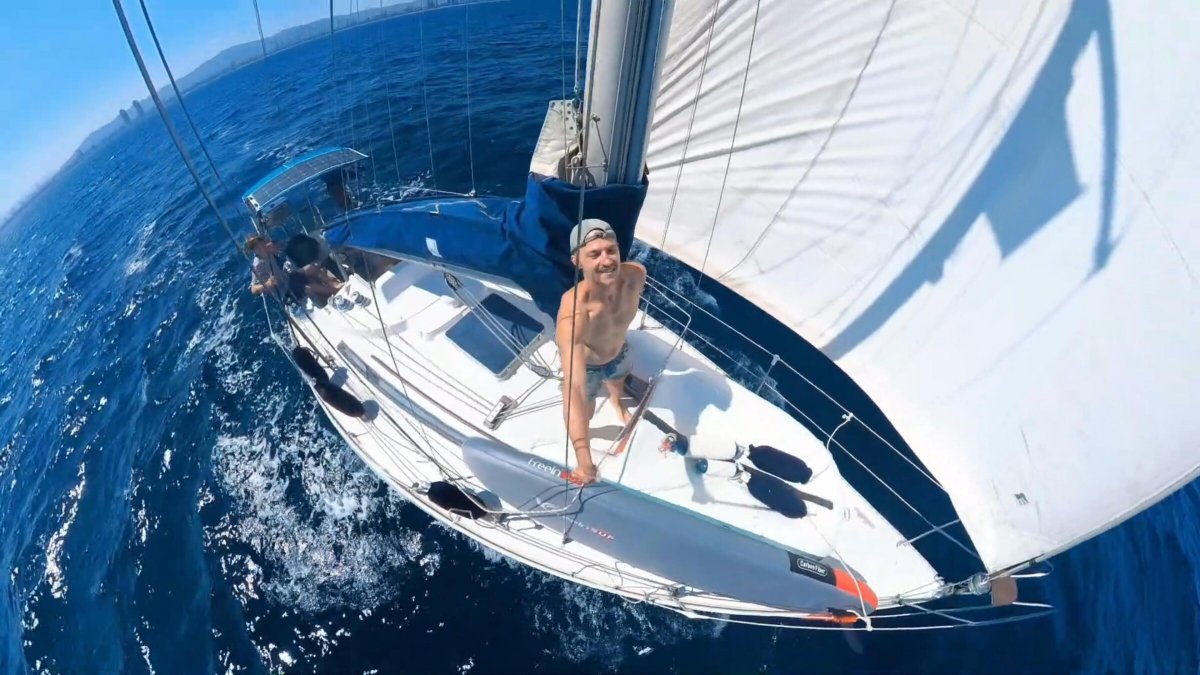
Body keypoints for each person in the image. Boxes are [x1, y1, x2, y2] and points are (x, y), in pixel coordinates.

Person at [556, 218, 647, 484]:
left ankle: (616, 402)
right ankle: (588, 430)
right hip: (589, 367)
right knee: (586, 409)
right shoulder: (574, 312)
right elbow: (574, 388)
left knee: (618, 382)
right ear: (577, 261)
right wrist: (584, 460)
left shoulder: (636, 275)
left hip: (619, 351)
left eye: (611, 250)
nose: (607, 260)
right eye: (594, 254)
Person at [245, 234, 289, 299]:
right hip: (284, 294)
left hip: (288, 280)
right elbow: (253, 289)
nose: (258, 245)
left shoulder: (269, 250)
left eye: (259, 240)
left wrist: (277, 246)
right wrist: (268, 284)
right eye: (253, 245)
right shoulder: (258, 264)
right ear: (253, 249)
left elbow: (284, 248)